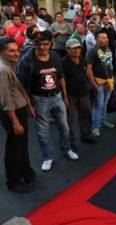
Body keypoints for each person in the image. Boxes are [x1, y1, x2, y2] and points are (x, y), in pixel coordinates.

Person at [17, 30, 79, 172]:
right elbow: (22, 85)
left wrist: (64, 95)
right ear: (35, 44)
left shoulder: (55, 57)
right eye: (39, 44)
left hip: (57, 97)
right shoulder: (28, 60)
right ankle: (47, 157)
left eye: (46, 44)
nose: (43, 47)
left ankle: (67, 149)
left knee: (65, 127)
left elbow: (61, 76)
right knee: (42, 131)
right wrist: (29, 104)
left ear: (50, 44)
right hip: (39, 100)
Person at [0, 37, 36, 193]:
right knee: (14, 147)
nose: (16, 53)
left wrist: (28, 105)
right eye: (11, 51)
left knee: (22, 144)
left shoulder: (11, 65)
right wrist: (15, 122)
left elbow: (18, 89)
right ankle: (13, 181)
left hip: (19, 109)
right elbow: (7, 100)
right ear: (2, 53)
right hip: (12, 113)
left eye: (17, 50)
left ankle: (25, 172)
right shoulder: (3, 70)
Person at [63, 39, 96, 151]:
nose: (76, 50)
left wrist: (91, 85)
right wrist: (64, 96)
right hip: (70, 96)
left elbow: (87, 73)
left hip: (84, 94)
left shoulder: (83, 60)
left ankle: (86, 135)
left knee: (86, 115)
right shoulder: (63, 63)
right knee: (69, 120)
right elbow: (60, 80)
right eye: (73, 48)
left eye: (78, 48)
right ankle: (70, 142)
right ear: (67, 50)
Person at [86, 31, 115, 137]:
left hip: (109, 81)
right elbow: (88, 69)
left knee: (105, 103)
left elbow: (110, 65)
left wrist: (111, 78)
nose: (106, 39)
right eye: (103, 38)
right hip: (98, 82)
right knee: (98, 105)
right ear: (97, 39)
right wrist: (93, 83)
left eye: (106, 37)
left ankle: (103, 121)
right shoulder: (92, 51)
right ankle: (95, 126)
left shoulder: (108, 49)